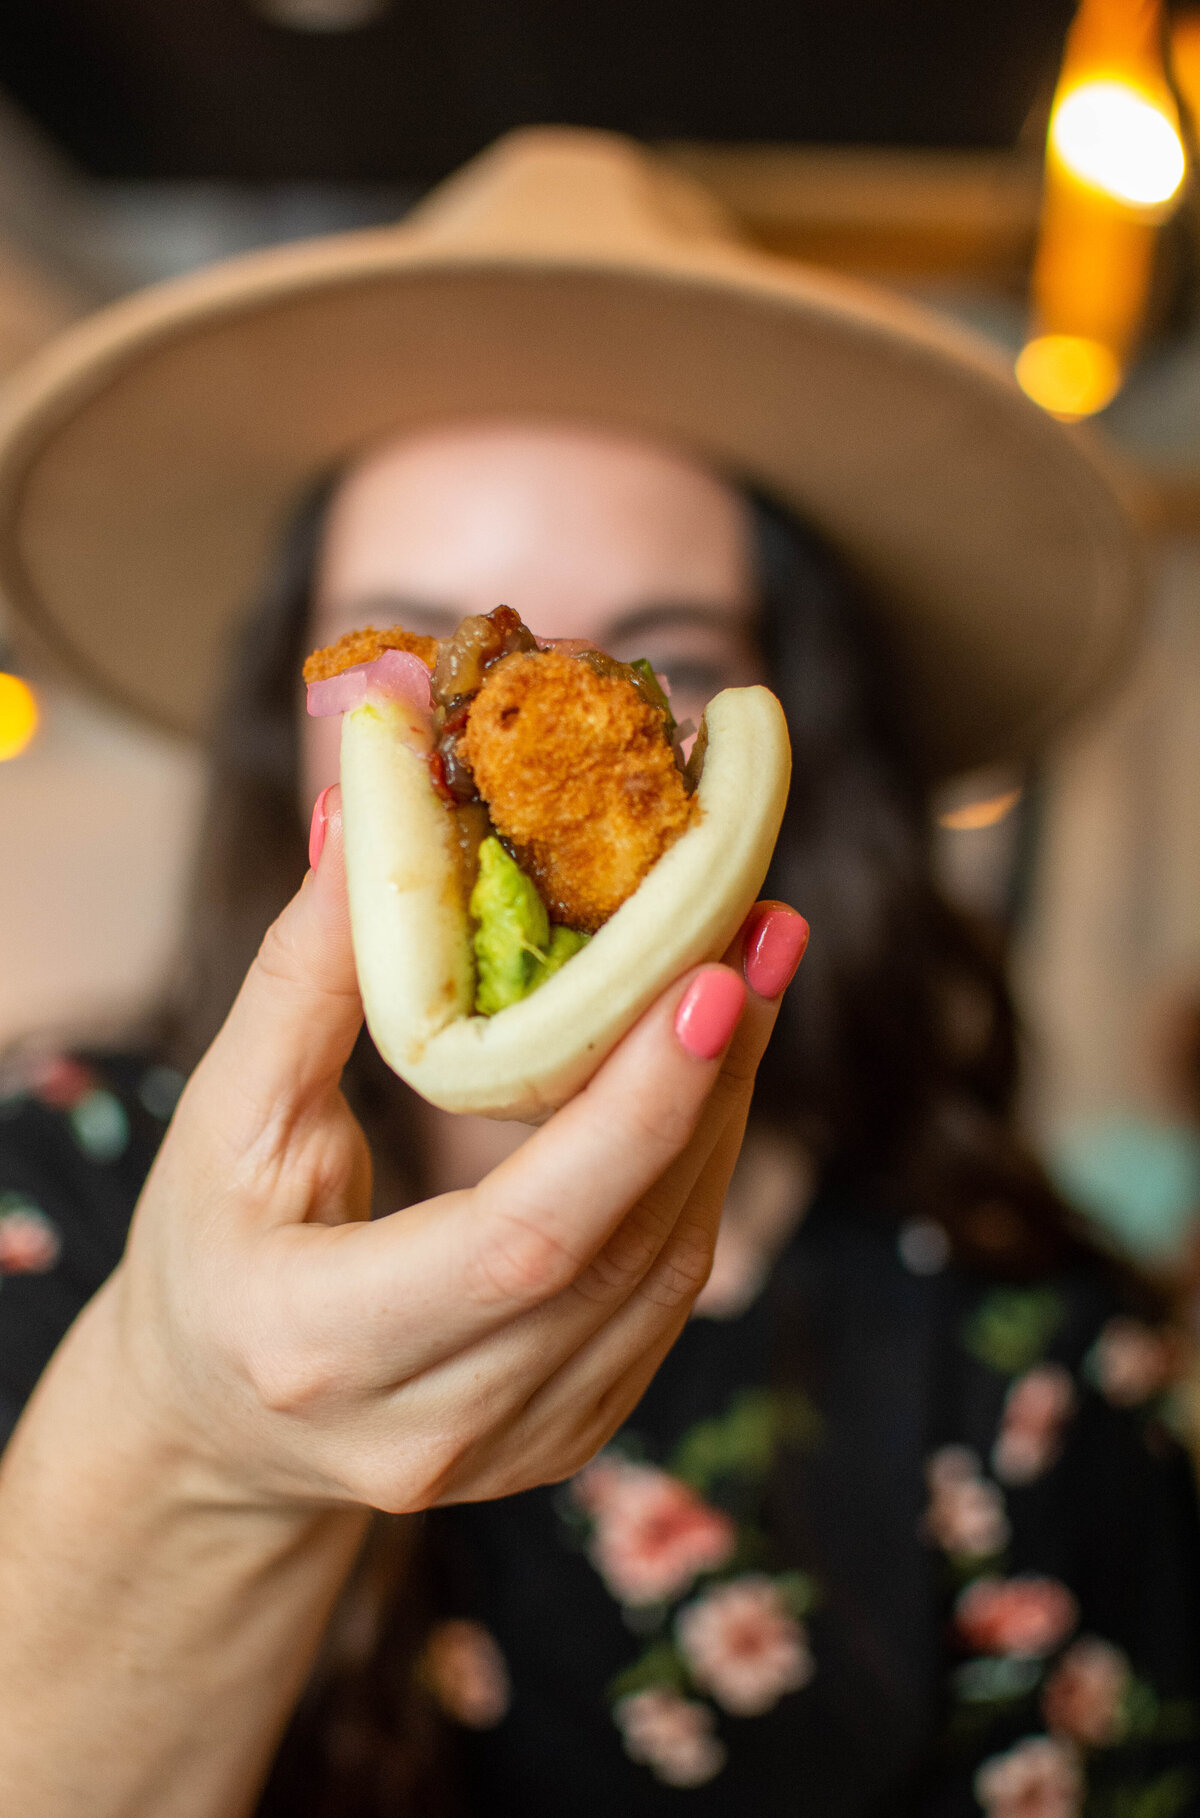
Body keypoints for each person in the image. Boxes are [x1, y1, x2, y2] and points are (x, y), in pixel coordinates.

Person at [0, 129, 1197, 1818]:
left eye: (671, 653)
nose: (500, 720)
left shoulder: (1020, 1359)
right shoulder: (48, 1187)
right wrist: (182, 1429)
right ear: (307, 720)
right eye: (411, 648)